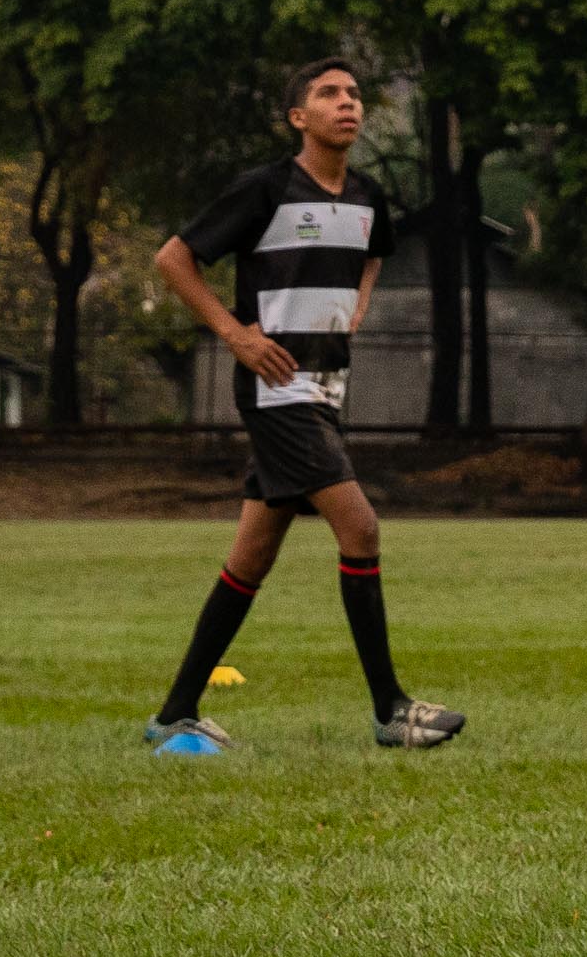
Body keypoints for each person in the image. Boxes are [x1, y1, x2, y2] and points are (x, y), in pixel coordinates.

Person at [141, 58, 467, 755]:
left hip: (326, 390)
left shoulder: (370, 195)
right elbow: (173, 258)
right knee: (361, 528)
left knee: (250, 557)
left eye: (352, 94)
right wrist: (235, 334)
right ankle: (390, 709)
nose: (346, 103)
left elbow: (375, 251)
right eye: (329, 94)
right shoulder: (263, 190)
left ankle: (174, 713)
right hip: (276, 389)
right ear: (300, 117)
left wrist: (361, 300)